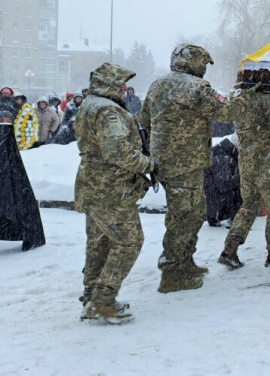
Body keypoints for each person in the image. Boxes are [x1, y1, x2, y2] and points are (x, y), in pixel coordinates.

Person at [141, 44, 256, 293]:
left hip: (165, 163)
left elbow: (146, 119)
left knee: (190, 213)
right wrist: (247, 95)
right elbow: (226, 112)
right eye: (203, 63)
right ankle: (172, 273)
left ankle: (185, 261)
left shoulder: (158, 84)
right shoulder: (197, 87)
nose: (204, 69)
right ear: (192, 62)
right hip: (186, 163)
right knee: (185, 218)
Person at [74, 62, 158, 324]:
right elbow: (117, 151)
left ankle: (91, 297)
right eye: (120, 84)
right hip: (112, 190)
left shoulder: (89, 104)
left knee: (99, 242)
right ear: (109, 84)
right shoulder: (108, 110)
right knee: (129, 241)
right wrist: (149, 164)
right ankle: (103, 300)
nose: (124, 88)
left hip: (93, 185)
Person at [218, 88, 270, 269]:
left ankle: (229, 249)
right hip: (268, 163)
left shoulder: (237, 97)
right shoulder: (265, 99)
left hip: (247, 162)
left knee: (248, 206)